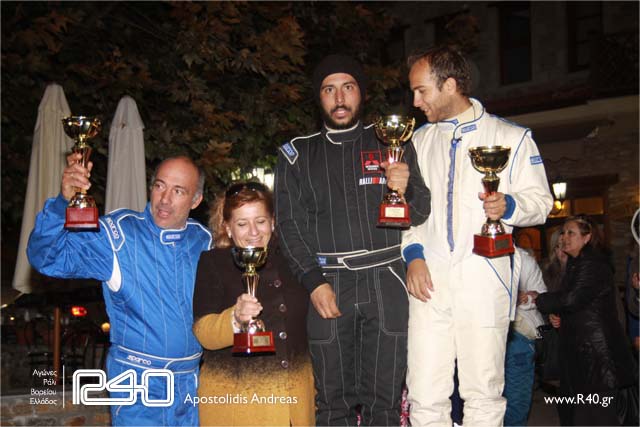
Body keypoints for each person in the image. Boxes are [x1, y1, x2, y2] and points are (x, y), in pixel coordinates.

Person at [275, 53, 431, 426]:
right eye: (329, 89)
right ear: (319, 97)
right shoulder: (296, 155)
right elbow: (289, 226)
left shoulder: (392, 141)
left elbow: (421, 211)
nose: (340, 98)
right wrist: (314, 281)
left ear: (361, 93)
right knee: (332, 404)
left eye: (348, 87)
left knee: (385, 403)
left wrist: (405, 188)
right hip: (328, 283)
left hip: (386, 281)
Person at [401, 45, 553, 426]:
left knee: (483, 393)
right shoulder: (417, 142)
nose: (415, 101)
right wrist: (413, 255)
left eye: (421, 91)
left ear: (450, 85)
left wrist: (510, 205)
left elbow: (542, 202)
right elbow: (409, 210)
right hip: (429, 282)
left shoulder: (511, 137)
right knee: (424, 393)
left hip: (486, 278)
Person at [27, 154, 212, 426]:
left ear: (196, 200)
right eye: (159, 186)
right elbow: (46, 257)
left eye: (178, 191)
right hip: (137, 384)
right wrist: (62, 204)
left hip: (192, 385)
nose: (164, 199)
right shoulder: (118, 234)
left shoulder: (206, 241)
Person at [192, 181, 314, 426]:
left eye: (260, 221)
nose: (253, 232)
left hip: (297, 407)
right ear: (227, 227)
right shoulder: (213, 262)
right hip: (237, 408)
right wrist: (235, 319)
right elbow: (203, 332)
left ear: (273, 222)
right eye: (242, 224)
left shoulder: (295, 261)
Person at [535, 215, 638, 426]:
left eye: (571, 233)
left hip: (597, 356)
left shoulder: (591, 263)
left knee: (598, 416)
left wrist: (540, 299)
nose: (564, 237)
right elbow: (579, 305)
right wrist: (560, 316)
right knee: (584, 415)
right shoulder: (577, 263)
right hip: (585, 355)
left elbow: (571, 299)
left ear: (587, 237)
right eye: (563, 232)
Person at [503, 247, 547, 426]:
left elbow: (541, 295)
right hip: (486, 332)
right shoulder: (477, 256)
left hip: (518, 332)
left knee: (516, 395)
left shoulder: (524, 260)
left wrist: (526, 298)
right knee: (486, 394)